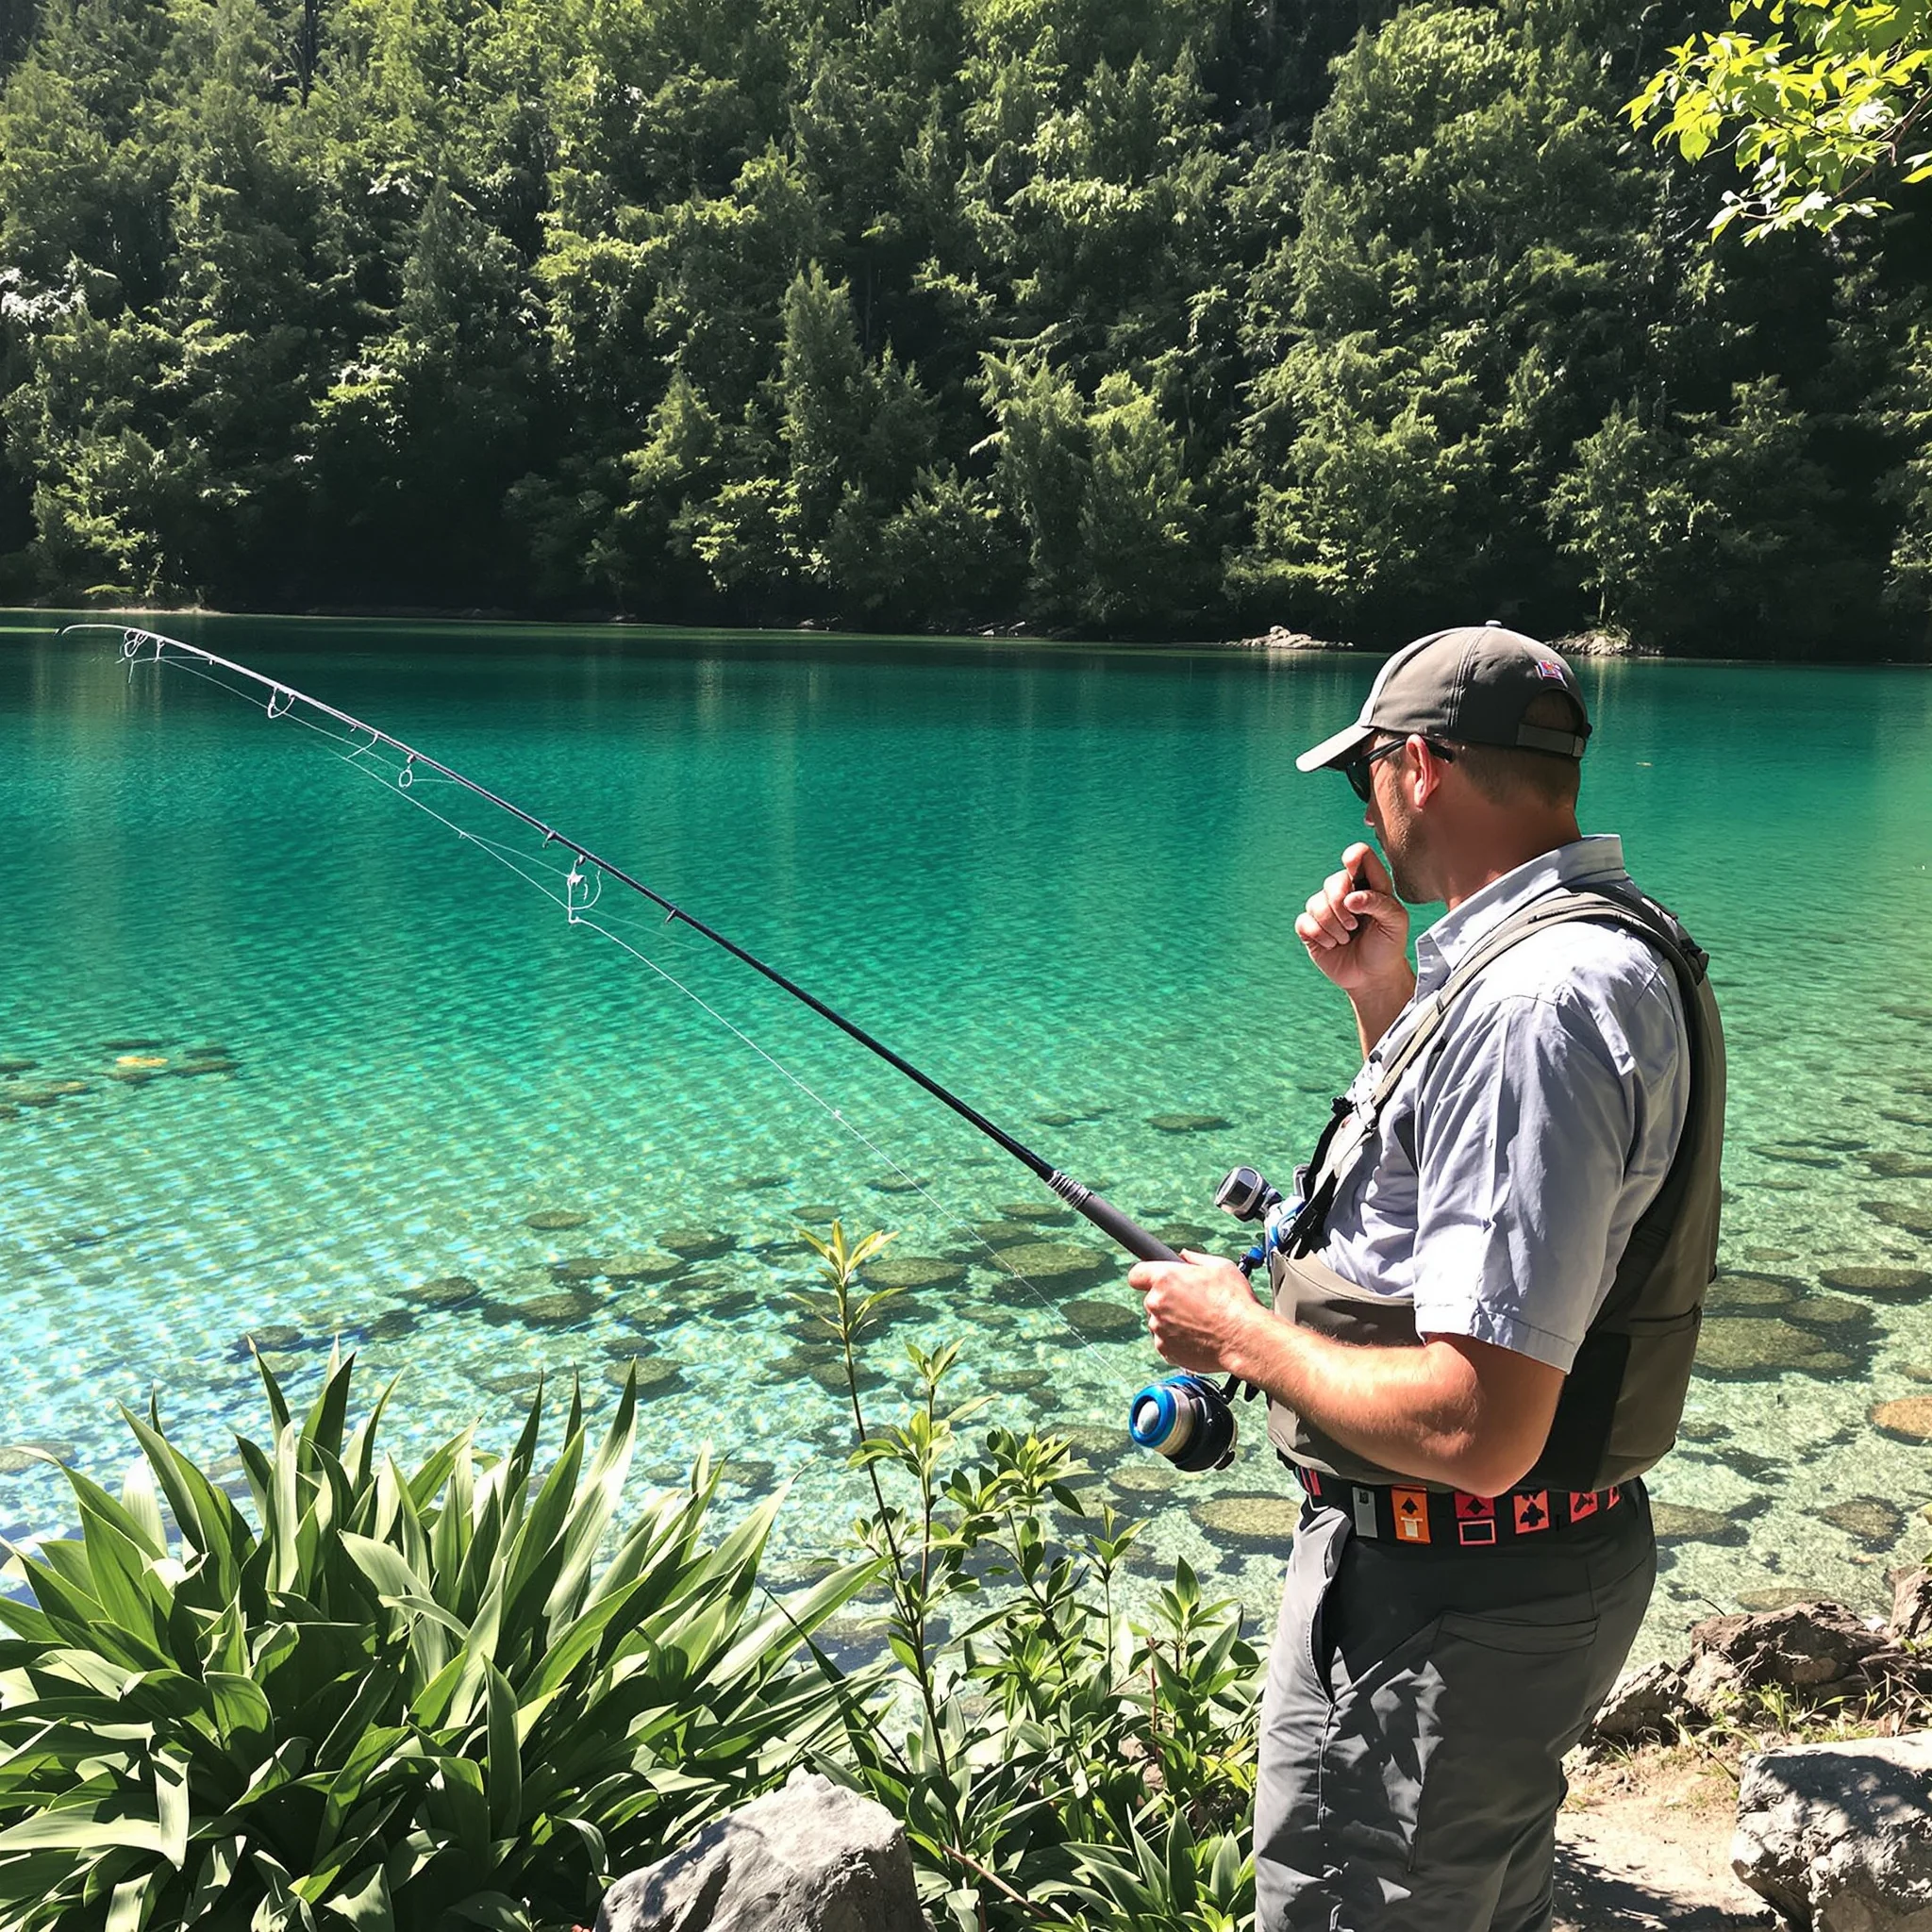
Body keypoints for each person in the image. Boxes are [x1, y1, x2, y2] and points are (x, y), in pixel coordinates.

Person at [1128, 623, 1724, 1932]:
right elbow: (1490, 1206)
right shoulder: (1598, 948)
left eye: (1364, 777)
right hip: (1513, 1583)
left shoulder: (1537, 1007)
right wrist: (1381, 994)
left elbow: (1479, 1423)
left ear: (1422, 767)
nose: (1365, 805)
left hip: (1444, 1603)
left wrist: (1243, 1336)